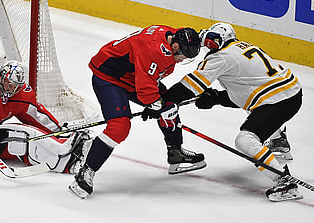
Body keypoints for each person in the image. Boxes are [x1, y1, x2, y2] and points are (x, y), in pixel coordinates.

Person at [160, 22, 303, 202]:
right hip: (290, 94)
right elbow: (246, 93)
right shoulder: (241, 47)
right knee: (256, 106)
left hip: (278, 101)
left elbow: (191, 86)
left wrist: (163, 102)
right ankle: (278, 140)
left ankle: (285, 182)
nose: (210, 44)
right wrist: (217, 98)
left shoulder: (221, 57)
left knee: (245, 140)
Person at [69, 25, 206, 199]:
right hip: (109, 76)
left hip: (132, 74)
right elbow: (146, 91)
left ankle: (175, 152)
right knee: (120, 127)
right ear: (176, 47)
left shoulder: (172, 35)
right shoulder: (155, 52)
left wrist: (159, 106)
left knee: (170, 103)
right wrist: (157, 106)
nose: (181, 60)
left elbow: (147, 80)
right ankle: (86, 171)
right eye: (183, 56)